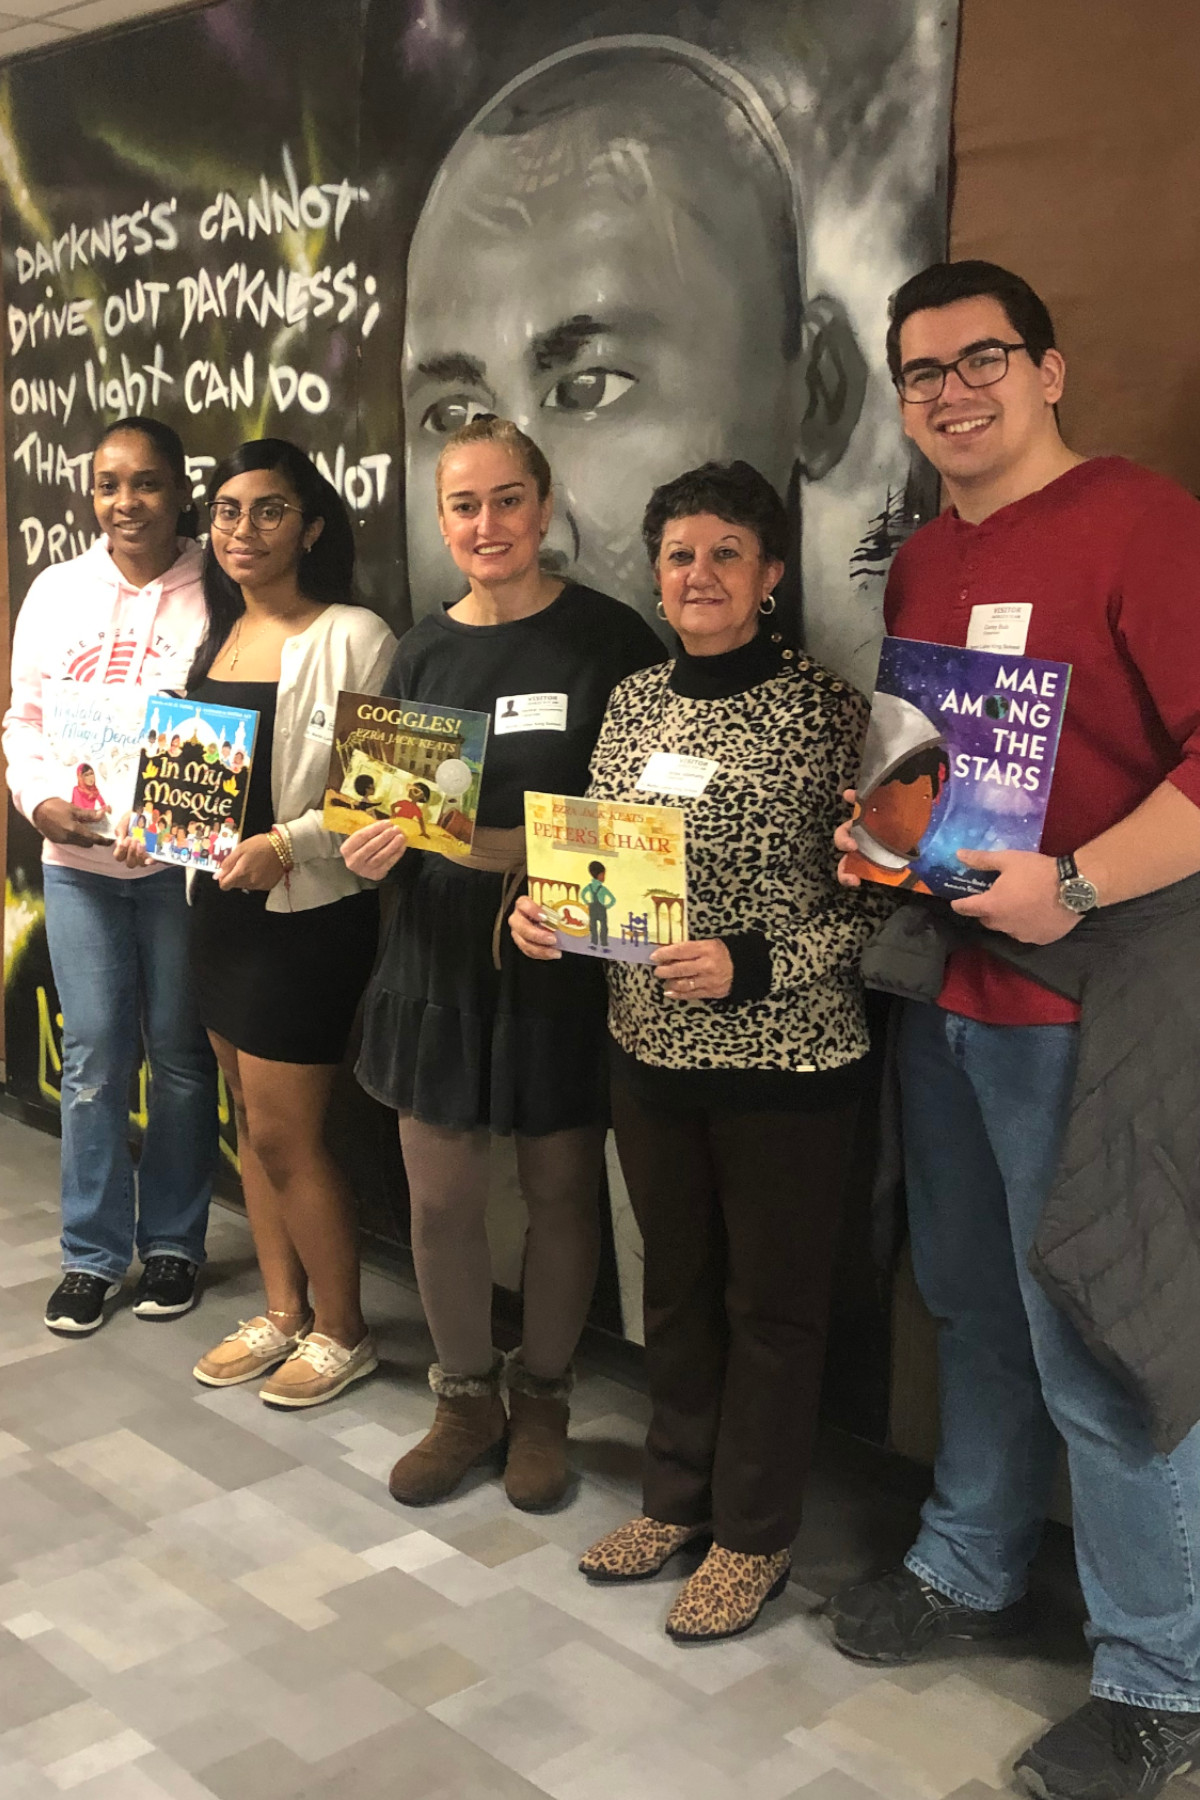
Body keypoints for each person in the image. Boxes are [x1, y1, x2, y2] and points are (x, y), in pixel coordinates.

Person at [828, 261, 1200, 1800]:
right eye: (919, 375)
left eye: (981, 359)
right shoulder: (923, 563)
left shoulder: (1147, 525)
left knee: (1103, 1336)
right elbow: (925, 761)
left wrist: (1082, 881)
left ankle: (1165, 1676)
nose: (949, 393)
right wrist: (883, 839)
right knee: (971, 1301)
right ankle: (972, 1562)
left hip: (1090, 998)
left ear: (1048, 370)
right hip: (950, 989)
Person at [510, 461, 884, 1640]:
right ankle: (676, 1499)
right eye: (680, 554)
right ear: (656, 573)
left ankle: (755, 1535)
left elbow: (883, 894)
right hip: (649, 1048)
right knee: (672, 1290)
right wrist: (542, 907)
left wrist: (757, 963)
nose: (700, 574)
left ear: (772, 575)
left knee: (772, 1307)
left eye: (728, 552)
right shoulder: (632, 702)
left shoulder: (832, 710)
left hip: (788, 1057)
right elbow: (601, 863)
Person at [341, 414, 662, 1510]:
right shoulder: (421, 647)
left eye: (508, 499)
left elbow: (640, 815)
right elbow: (380, 805)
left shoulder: (612, 641)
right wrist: (369, 842)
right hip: (433, 952)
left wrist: (502, 850)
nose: (488, 524)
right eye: (464, 505)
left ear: (545, 501)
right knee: (439, 1199)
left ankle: (548, 1396)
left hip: (560, 950)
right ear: (441, 519)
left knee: (563, 1189)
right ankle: (465, 1395)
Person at [402, 37, 865, 658]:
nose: (522, 530)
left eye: (589, 388)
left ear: (819, 388)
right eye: (454, 414)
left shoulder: (815, 720)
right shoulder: (421, 660)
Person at [119, 439, 396, 1408]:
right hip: (219, 914)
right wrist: (151, 822)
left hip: (306, 919)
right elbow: (201, 778)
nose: (244, 529)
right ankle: (283, 1311)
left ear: (311, 526)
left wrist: (289, 842)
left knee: (289, 1137)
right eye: (229, 511)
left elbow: (381, 798)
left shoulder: (354, 634)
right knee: (248, 1119)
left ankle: (344, 1330)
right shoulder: (220, 632)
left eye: (269, 510)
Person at [2, 416, 218, 1334]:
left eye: (145, 484)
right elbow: (24, 720)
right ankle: (91, 1255)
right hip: (77, 865)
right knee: (91, 1058)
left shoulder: (222, 586)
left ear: (180, 489)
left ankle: (172, 1242)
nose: (124, 502)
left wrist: (178, 827)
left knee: (178, 1056)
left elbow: (239, 726)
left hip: (178, 871)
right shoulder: (56, 590)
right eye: (106, 484)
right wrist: (40, 803)